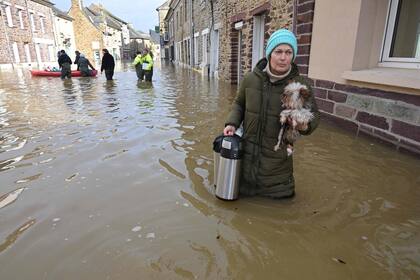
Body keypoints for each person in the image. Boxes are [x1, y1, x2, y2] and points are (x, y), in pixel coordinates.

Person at [223, 29, 320, 199]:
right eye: (278, 52)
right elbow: (239, 104)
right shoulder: (250, 79)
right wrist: (232, 123)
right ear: (269, 53)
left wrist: (303, 124)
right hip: (245, 167)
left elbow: (314, 118)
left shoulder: (300, 86)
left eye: (289, 52)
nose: (283, 58)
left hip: (277, 177)